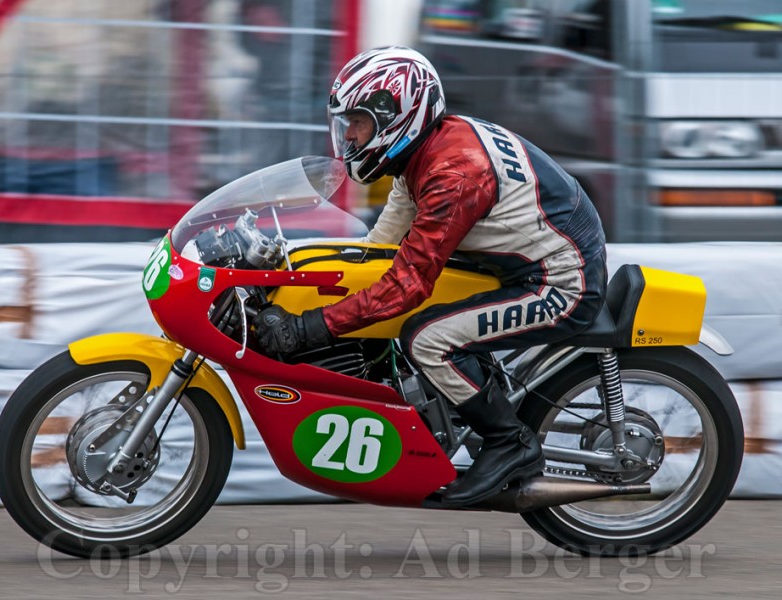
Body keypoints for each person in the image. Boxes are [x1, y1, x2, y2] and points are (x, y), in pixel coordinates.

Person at [253, 46, 607, 507]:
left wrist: (310, 328)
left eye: (358, 122)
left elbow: (408, 284)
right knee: (396, 315)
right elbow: (376, 254)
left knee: (427, 337)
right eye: (347, 124)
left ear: (395, 116)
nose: (351, 136)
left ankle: (509, 442)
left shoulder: (453, 174)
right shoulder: (419, 158)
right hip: (521, 265)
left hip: (561, 281)